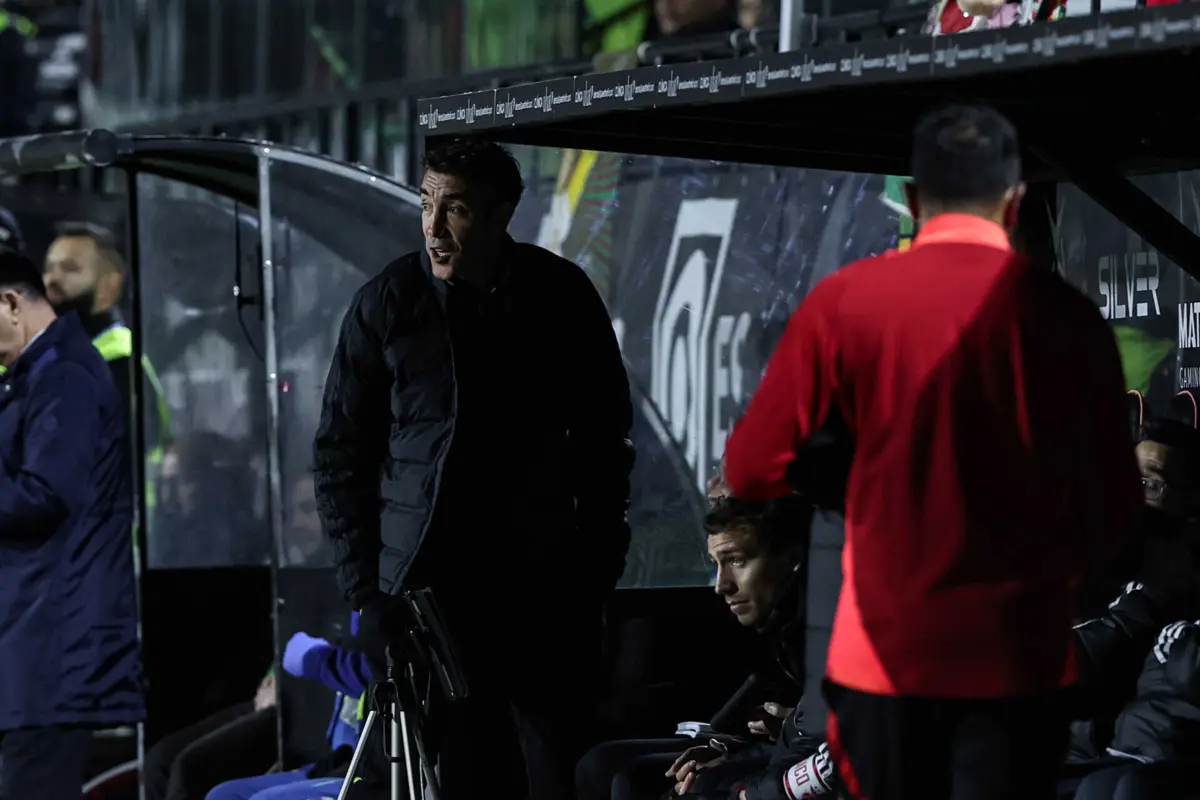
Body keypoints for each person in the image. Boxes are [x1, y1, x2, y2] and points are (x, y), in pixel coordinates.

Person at [722, 104, 1143, 800]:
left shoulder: (845, 304)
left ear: (914, 201)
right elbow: (1112, 514)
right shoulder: (1066, 318)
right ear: (1013, 201)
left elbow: (750, 468)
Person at [313, 137, 634, 799]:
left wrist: (595, 571)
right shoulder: (388, 304)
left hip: (542, 596)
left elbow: (606, 444)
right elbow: (340, 455)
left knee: (555, 771)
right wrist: (367, 596)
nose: (432, 226)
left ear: (500, 214)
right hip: (429, 602)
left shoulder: (560, 296)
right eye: (426, 202)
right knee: (459, 776)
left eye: (454, 208)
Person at [577, 487, 832, 800]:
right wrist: (729, 747)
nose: (721, 585)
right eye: (716, 564)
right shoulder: (785, 627)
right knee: (609, 769)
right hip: (787, 750)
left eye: (736, 561)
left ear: (793, 557)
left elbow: (833, 755)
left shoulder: (828, 630)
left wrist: (745, 794)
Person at [0, 248, 142, 799]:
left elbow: (43, 494)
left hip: (54, 656)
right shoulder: (36, 374)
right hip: (34, 651)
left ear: (11, 303)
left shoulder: (65, 377)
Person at [43, 222, 170, 474]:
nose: (51, 279)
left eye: (70, 268)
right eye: (48, 268)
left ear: (108, 286)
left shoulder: (119, 364)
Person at [205, 613, 371, 800]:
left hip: (376, 771)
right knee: (223, 795)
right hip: (341, 760)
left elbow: (381, 667)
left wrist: (314, 659)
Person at [142, 669, 279, 800]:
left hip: (286, 706)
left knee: (187, 768)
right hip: (264, 694)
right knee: (159, 760)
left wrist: (282, 685)